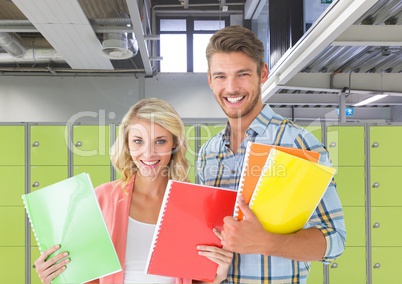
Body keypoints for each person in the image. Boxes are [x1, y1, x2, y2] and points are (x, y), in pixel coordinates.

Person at [197, 25, 346, 283]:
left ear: (262, 73)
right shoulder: (207, 153)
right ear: (210, 80)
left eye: (242, 74)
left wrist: (265, 242)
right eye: (220, 76)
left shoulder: (298, 144)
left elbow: (335, 240)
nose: (231, 88)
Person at [33, 98, 233, 284]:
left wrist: (218, 275)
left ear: (174, 144)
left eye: (160, 141)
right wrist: (56, 275)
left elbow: (198, 278)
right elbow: (83, 274)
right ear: (127, 145)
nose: (149, 153)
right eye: (138, 141)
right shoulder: (101, 199)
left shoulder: (195, 206)